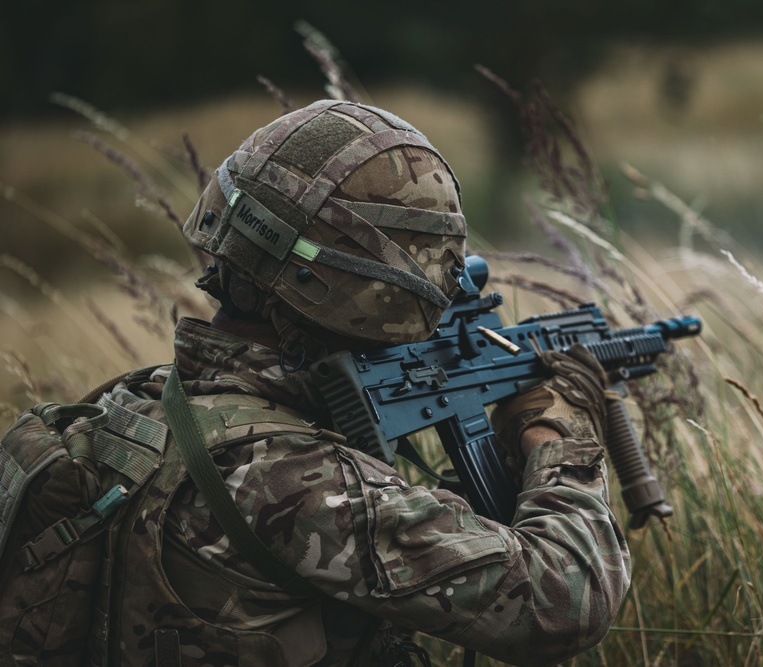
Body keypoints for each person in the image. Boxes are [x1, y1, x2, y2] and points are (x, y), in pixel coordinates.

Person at [96, 99, 631, 666]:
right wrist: (557, 432)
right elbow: (562, 605)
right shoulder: (304, 484)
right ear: (375, 296)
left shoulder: (112, 411)